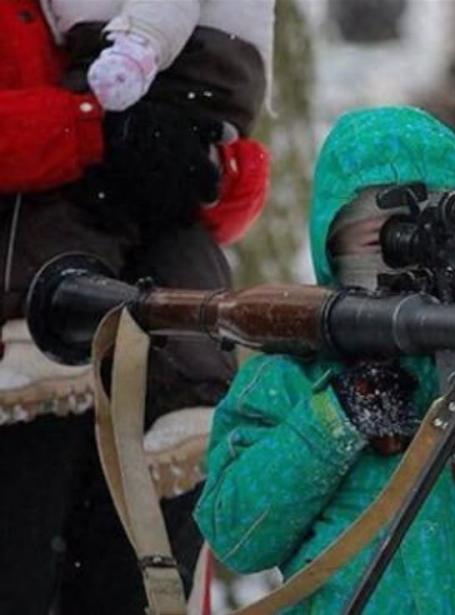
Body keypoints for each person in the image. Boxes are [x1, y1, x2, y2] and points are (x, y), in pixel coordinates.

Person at [195, 105, 455, 613]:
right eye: (385, 238)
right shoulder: (292, 373)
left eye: (448, 231)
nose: (424, 255)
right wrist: (335, 419)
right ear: (335, 248)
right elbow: (236, 534)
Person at [0, 0, 270, 612]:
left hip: (144, 359)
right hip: (22, 355)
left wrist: (201, 160)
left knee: (135, 586)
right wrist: (91, 131)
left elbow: (228, 198)